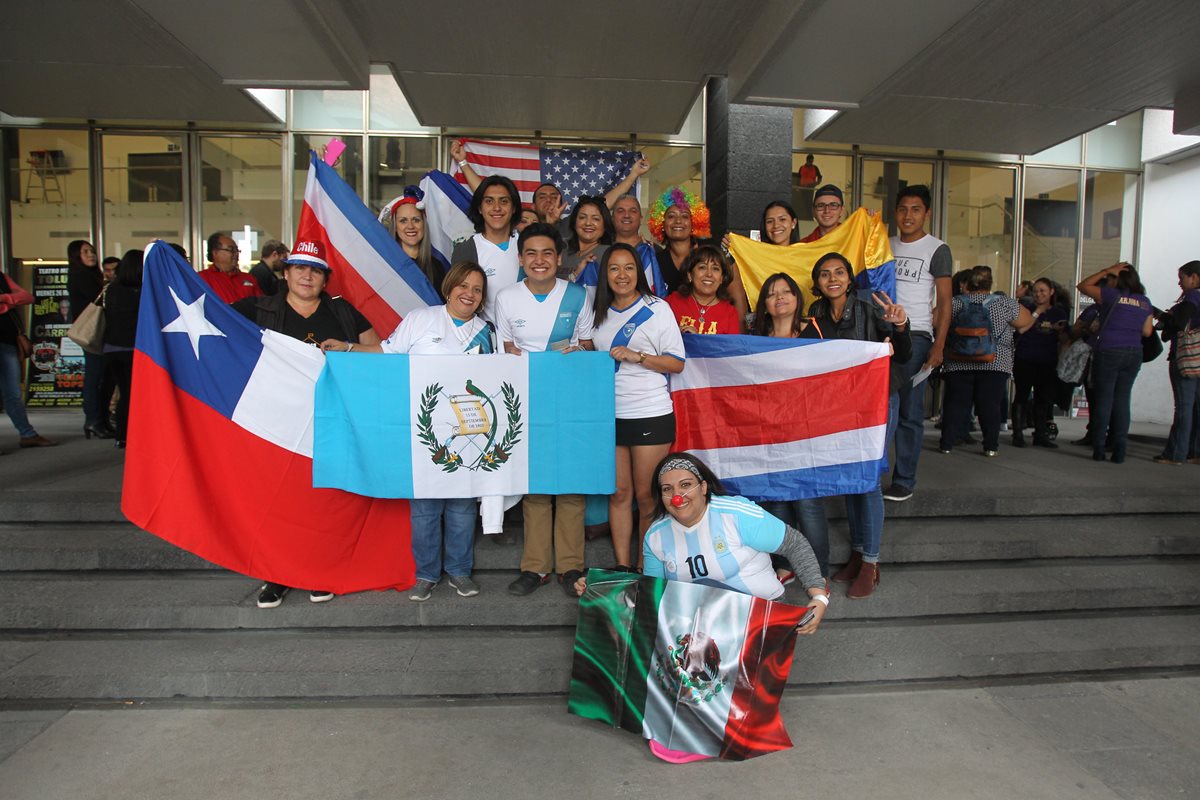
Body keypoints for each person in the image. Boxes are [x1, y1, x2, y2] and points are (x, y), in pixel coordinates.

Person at [329, 262, 494, 600]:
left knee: (462, 508)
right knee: (425, 508)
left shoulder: (487, 331)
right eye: (463, 286)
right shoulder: (421, 319)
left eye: (477, 290)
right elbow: (386, 352)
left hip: (469, 434)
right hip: (425, 432)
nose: (469, 294)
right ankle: (426, 574)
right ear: (449, 287)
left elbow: (498, 378)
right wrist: (347, 349)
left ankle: (460, 572)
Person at [233, 240, 380, 606]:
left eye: (315, 270)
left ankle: (318, 570)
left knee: (324, 499)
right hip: (275, 423)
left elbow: (378, 352)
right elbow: (215, 329)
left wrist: (346, 349)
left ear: (325, 279)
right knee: (277, 500)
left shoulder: (341, 311)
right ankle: (277, 575)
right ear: (285, 273)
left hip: (330, 420)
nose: (307, 275)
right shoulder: (258, 309)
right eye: (300, 268)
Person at [571, 452, 829, 623]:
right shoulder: (656, 536)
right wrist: (599, 587)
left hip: (758, 617)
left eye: (685, 485)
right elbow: (651, 593)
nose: (677, 496)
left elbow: (795, 544)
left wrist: (818, 597)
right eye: (667, 489)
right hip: (699, 625)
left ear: (703, 487)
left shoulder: (735, 514)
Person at [493, 223, 595, 597]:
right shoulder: (506, 297)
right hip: (525, 400)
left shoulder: (577, 296)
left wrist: (574, 353)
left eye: (547, 253)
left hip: (568, 398)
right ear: (521, 259)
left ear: (559, 258)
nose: (540, 260)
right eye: (531, 253)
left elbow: (587, 346)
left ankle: (570, 566)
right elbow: (503, 350)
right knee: (535, 483)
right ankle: (535, 567)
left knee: (569, 480)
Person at [805, 252, 911, 599]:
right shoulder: (818, 314)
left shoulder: (870, 307)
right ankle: (856, 552)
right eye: (824, 274)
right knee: (852, 477)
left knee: (868, 479)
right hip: (844, 404)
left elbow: (903, 353)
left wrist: (900, 326)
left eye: (839, 272)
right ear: (817, 282)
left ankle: (871, 562)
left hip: (878, 399)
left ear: (850, 279)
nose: (832, 278)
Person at [590, 244, 685, 570]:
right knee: (618, 494)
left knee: (646, 497)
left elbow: (676, 363)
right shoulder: (596, 311)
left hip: (650, 413)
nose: (622, 275)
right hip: (609, 415)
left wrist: (638, 356)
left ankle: (646, 567)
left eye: (629, 267)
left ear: (639, 272)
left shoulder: (657, 309)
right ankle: (622, 566)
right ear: (606, 274)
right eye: (614, 268)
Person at [749, 272, 832, 583]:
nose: (779, 297)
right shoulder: (752, 338)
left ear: (797, 299)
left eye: (786, 291)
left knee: (808, 504)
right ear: (765, 304)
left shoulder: (814, 332)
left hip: (806, 433)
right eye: (771, 293)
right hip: (767, 433)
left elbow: (833, 374)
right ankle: (784, 566)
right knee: (777, 502)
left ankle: (818, 573)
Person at [884, 185, 953, 502]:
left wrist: (939, 346)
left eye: (915, 209)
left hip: (916, 335)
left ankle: (904, 480)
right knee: (883, 407)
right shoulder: (885, 244)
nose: (907, 215)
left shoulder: (937, 249)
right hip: (883, 334)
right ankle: (877, 475)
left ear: (926, 213)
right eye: (902, 208)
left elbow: (945, 302)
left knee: (909, 409)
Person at [939, 266, 1032, 457]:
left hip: (958, 361)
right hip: (995, 362)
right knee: (990, 405)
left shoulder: (955, 303)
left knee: (955, 403)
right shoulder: (1005, 304)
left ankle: (946, 443)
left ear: (967, 284)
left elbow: (934, 320)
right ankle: (990, 446)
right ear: (990, 284)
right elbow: (1026, 322)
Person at [1077, 262, 1154, 464]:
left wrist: (1104, 270)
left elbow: (1082, 286)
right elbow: (1147, 332)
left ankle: (1100, 449)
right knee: (1122, 400)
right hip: (1134, 353)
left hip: (1110, 351)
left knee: (1104, 400)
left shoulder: (1111, 296)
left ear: (1118, 279)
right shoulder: (1144, 301)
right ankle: (1119, 451)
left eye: (1112, 277)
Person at [648, 186, 749, 319]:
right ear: (661, 223)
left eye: (685, 216)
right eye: (671, 216)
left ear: (694, 222)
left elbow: (737, 295)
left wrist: (739, 337)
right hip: (674, 333)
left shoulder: (715, 249)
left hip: (718, 330)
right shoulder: (656, 261)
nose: (678, 221)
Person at [451, 175, 522, 322]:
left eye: (504, 201)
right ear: (480, 208)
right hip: (483, 340)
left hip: (528, 340)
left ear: (514, 207)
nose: (497, 208)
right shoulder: (466, 250)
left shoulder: (528, 245)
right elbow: (457, 305)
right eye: (489, 201)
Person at [1011, 277, 1069, 448]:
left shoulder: (1059, 312)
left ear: (1051, 292)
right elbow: (1020, 328)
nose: (1039, 294)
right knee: (1021, 394)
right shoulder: (1026, 307)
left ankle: (1040, 433)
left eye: (1043, 290)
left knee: (1043, 398)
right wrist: (1038, 311)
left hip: (1047, 359)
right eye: (1036, 291)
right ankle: (1017, 433)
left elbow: (1065, 337)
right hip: (1025, 357)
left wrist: (1059, 331)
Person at [0, 265, 53, 450]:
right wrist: (9, 303)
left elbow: (27, 297)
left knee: (13, 392)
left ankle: (27, 434)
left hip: (7, 341)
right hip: (6, 341)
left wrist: (5, 299)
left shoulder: (2, 277)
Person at [1154, 261, 1200, 465]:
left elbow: (1180, 324)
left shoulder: (1192, 297)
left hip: (1186, 358)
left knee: (1184, 407)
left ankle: (1176, 454)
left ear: (1194, 277)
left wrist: (1163, 316)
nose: (1179, 282)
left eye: (1182, 278)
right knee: (1197, 408)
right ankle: (1194, 451)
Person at [66, 240, 112, 439]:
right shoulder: (81, 276)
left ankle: (99, 419)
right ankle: (94, 419)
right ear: (76, 256)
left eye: (92, 251)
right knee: (95, 378)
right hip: (93, 334)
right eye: (85, 252)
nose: (91, 255)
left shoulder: (92, 276)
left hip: (98, 333)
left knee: (101, 377)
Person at [101, 250, 145, 450]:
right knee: (132, 394)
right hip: (132, 348)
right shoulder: (142, 291)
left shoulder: (112, 289)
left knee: (123, 392)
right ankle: (129, 434)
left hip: (111, 348)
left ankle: (121, 435)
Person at [380, 185, 447, 299]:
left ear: (424, 225)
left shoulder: (437, 267)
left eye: (416, 220)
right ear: (395, 227)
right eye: (403, 221)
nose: (410, 226)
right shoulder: (385, 265)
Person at [664, 245, 741, 334]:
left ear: (722, 278)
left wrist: (697, 339)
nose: (709, 274)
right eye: (702, 267)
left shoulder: (729, 313)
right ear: (690, 275)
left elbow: (731, 348)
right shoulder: (672, 302)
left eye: (715, 269)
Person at [560, 195, 614, 302]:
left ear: (605, 224)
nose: (588, 223)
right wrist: (575, 274)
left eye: (595, 219)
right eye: (582, 217)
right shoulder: (562, 252)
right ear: (574, 222)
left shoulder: (611, 254)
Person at [611, 194, 666, 297]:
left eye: (633, 211)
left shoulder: (655, 252)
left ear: (640, 218)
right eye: (620, 211)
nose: (626, 215)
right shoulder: (602, 251)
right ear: (613, 218)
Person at [200, 232, 262, 304]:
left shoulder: (249, 278)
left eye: (237, 250)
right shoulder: (202, 279)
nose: (236, 254)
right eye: (231, 250)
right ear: (215, 253)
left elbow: (262, 306)